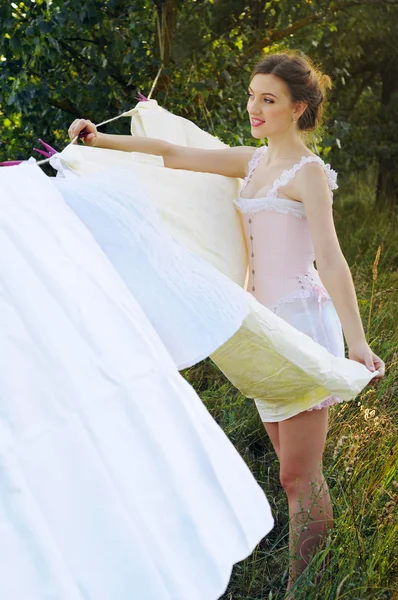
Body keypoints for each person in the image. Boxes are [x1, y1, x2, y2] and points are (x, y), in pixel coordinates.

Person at [68, 51, 385, 594]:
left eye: (269, 99)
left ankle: (302, 586)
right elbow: (171, 153)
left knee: (296, 475)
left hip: (303, 329)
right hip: (262, 332)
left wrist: (357, 343)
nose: (254, 108)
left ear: (298, 108)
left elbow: (331, 260)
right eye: (252, 95)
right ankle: (310, 571)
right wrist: (99, 141)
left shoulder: (309, 174)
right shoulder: (252, 162)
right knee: (291, 468)